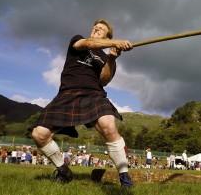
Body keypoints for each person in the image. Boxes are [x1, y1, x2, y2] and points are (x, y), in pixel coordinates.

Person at [30, 19, 133, 187]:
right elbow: (89, 42)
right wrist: (115, 42)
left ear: (107, 35)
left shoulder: (105, 57)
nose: (96, 29)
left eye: (100, 29)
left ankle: (124, 177)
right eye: (95, 27)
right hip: (67, 94)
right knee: (39, 134)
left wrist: (112, 59)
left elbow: (104, 80)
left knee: (108, 124)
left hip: (93, 94)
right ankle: (63, 170)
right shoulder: (79, 40)